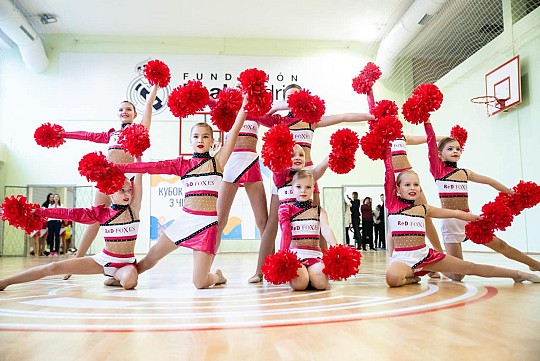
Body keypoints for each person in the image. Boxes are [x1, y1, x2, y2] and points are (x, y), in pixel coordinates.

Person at [113, 97, 248, 289]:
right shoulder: (182, 165)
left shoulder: (217, 162)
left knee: (199, 283)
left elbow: (234, 132)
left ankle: (216, 276)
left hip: (206, 225)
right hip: (185, 221)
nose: (200, 140)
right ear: (190, 141)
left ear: (212, 141)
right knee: (150, 258)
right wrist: (118, 167)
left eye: (205, 136)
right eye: (196, 136)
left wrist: (244, 107)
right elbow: (150, 167)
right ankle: (119, 276)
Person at [248, 84, 374, 282]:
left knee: (316, 220)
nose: (293, 99)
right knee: (272, 223)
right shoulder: (278, 120)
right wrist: (279, 106)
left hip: (308, 176)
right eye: (289, 97)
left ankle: (327, 265)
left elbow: (341, 117)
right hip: (283, 176)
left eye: (296, 96)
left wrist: (370, 116)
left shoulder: (311, 120)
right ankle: (259, 271)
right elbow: (256, 114)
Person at [382, 149, 540, 287]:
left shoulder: (424, 209)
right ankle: (412, 276)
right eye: (407, 185)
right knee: (392, 279)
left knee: (470, 267)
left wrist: (478, 218)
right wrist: (386, 149)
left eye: (416, 185)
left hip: (426, 255)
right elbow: (389, 172)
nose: (412, 188)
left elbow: (456, 213)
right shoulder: (392, 204)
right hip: (403, 257)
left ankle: (518, 274)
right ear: (397, 188)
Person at [63, 84, 160, 279]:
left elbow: (149, 107)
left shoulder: (139, 130)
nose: (125, 112)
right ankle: (77, 259)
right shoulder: (111, 135)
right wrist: (63, 134)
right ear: (118, 114)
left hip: (127, 181)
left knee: (125, 219)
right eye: (121, 109)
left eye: (129, 109)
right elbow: (86, 136)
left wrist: (155, 88)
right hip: (106, 179)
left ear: (134, 114)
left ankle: (119, 262)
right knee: (95, 217)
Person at [424, 119, 540, 280]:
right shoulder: (438, 171)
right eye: (450, 149)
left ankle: (534, 264)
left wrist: (509, 191)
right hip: (451, 223)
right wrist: (427, 121)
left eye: (458, 148)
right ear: (439, 154)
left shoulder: (465, 172)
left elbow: (489, 181)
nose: (455, 151)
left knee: (501, 245)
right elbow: (430, 142)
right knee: (458, 276)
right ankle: (432, 266)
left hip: (470, 220)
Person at [0, 175, 143, 291]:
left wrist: (138, 156)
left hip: (125, 264)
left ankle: (115, 279)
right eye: (121, 190)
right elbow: (68, 213)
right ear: (110, 192)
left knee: (129, 282)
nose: (127, 194)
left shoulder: (133, 209)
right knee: (53, 267)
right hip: (103, 260)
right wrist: (38, 211)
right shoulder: (101, 213)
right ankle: (5, 282)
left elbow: (139, 174)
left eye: (129, 190)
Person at [248, 143, 328, 283]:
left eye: (301, 155)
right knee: (283, 236)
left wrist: (329, 159)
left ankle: (323, 266)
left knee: (320, 229)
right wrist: (277, 151)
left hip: (304, 224)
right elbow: (276, 166)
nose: (297, 157)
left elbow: (319, 169)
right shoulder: (281, 176)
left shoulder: (308, 176)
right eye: (292, 155)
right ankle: (270, 268)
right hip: (288, 220)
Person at [278, 170, 338, 290]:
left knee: (321, 284)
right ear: (292, 188)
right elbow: (285, 232)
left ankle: (312, 276)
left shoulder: (319, 211)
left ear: (313, 189)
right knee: (299, 285)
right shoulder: (286, 209)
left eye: (308, 187)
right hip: (295, 256)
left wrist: (336, 249)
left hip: (314, 255)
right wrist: (283, 257)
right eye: (299, 187)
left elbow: (326, 229)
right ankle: (306, 277)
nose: (303, 191)